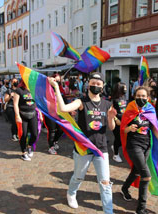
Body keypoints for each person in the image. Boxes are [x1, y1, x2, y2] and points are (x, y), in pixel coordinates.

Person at [48, 72, 117, 214]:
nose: (95, 86)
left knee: (105, 182)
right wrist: (56, 87)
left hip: (101, 148)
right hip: (83, 147)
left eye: (98, 84)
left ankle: (108, 211)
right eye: (93, 83)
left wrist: (110, 118)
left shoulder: (107, 104)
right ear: (88, 85)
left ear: (102, 87)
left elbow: (111, 127)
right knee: (79, 176)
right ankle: (71, 193)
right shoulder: (81, 101)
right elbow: (63, 109)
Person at [120, 86, 158, 214]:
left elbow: (154, 128)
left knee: (136, 171)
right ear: (134, 96)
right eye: (138, 96)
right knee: (146, 175)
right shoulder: (130, 109)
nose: (141, 98)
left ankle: (124, 188)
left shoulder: (150, 109)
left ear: (148, 98)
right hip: (133, 145)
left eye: (143, 96)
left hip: (146, 145)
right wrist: (129, 129)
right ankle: (141, 208)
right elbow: (123, 129)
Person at [13, 80, 39, 161]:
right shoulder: (19, 90)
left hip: (33, 114)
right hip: (23, 115)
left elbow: (36, 102)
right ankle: (24, 153)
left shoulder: (33, 89)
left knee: (35, 134)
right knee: (23, 134)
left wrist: (40, 113)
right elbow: (15, 104)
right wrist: (17, 116)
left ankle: (29, 146)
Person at [44, 74, 66, 155]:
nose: (56, 82)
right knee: (52, 130)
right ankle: (51, 147)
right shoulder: (46, 89)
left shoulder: (60, 89)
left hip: (60, 113)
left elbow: (64, 99)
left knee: (61, 129)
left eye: (58, 81)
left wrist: (70, 111)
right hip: (49, 113)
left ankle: (55, 141)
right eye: (55, 80)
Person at [111, 82, 128, 162]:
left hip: (124, 121)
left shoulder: (124, 97)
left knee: (123, 138)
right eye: (124, 88)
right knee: (118, 138)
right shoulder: (114, 99)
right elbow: (110, 110)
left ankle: (114, 147)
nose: (126, 89)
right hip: (116, 122)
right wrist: (115, 119)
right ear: (120, 88)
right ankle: (115, 154)